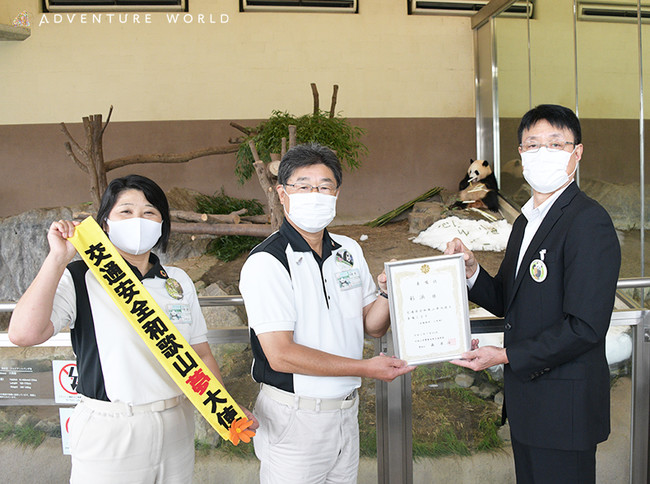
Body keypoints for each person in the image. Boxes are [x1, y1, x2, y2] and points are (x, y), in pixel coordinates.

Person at [9, 174, 257, 484]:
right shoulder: (80, 276)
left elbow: (200, 354)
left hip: (176, 423)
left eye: (150, 212)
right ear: (105, 223)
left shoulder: (177, 281)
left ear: (162, 224)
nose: (138, 220)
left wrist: (225, 410)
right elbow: (24, 334)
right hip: (112, 428)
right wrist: (57, 259)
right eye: (125, 211)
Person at [445, 104, 621, 484]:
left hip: (563, 409)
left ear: (577, 153)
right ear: (521, 154)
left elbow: (585, 326)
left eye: (556, 144)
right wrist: (472, 271)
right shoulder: (526, 221)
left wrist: (507, 355)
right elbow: (509, 298)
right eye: (533, 144)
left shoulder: (588, 221)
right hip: (529, 404)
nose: (543, 153)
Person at [239, 143, 414, 484]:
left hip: (345, 411)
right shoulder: (267, 262)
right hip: (295, 416)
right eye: (303, 186)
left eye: (324, 186)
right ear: (282, 193)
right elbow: (280, 355)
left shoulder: (348, 251)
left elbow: (372, 326)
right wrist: (365, 368)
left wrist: (388, 292)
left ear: (337, 193)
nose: (314, 194)